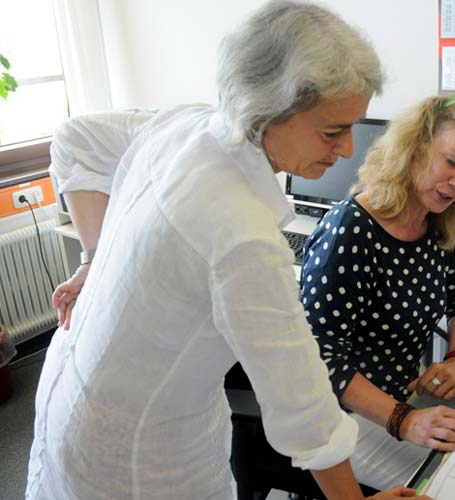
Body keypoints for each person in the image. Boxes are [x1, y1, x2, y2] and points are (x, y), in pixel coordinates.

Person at [26, 2, 429, 499]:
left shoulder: (187, 126)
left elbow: (76, 137)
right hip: (137, 456)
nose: (348, 148)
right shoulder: (242, 236)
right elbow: (303, 404)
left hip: (81, 389)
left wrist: (93, 258)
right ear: (268, 110)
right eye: (332, 131)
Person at [300, 93, 455, 490]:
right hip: (345, 420)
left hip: (403, 400)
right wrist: (403, 419)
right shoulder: (350, 231)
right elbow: (318, 360)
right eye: (452, 162)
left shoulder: (442, 220)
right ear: (414, 150)